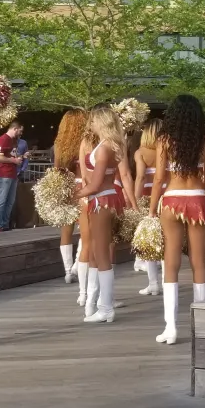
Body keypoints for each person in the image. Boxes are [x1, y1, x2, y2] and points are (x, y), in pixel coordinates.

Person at [148, 94, 205, 345]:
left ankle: (171, 327)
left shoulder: (164, 140)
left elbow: (158, 180)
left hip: (172, 199)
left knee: (171, 262)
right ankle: (202, 327)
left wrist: (152, 211)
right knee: (199, 262)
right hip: (197, 198)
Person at [73, 106, 134, 324]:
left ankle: (105, 307)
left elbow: (96, 183)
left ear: (101, 121)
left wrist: (73, 195)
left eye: (93, 121)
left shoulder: (103, 148)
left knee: (100, 254)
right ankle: (100, 304)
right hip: (109, 198)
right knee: (100, 253)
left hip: (102, 201)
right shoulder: (113, 145)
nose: (90, 125)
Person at [51, 109, 86, 284]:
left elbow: (57, 170)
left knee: (66, 228)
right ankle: (77, 265)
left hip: (66, 187)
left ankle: (67, 270)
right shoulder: (86, 141)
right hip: (83, 187)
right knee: (85, 230)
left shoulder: (59, 144)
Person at [132, 117, 163, 295]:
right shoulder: (168, 150)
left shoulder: (140, 152)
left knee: (150, 239)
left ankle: (153, 283)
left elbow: (141, 177)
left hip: (148, 197)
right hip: (166, 195)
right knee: (165, 239)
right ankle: (167, 280)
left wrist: (135, 199)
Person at [0, 121, 25, 232]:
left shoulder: (12, 141)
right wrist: (14, 160)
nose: (21, 133)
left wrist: (20, 157)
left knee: (9, 201)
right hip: (3, 174)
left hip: (12, 173)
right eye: (20, 130)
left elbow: (10, 155)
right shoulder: (3, 139)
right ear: (15, 128)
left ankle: (4, 224)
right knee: (1, 200)